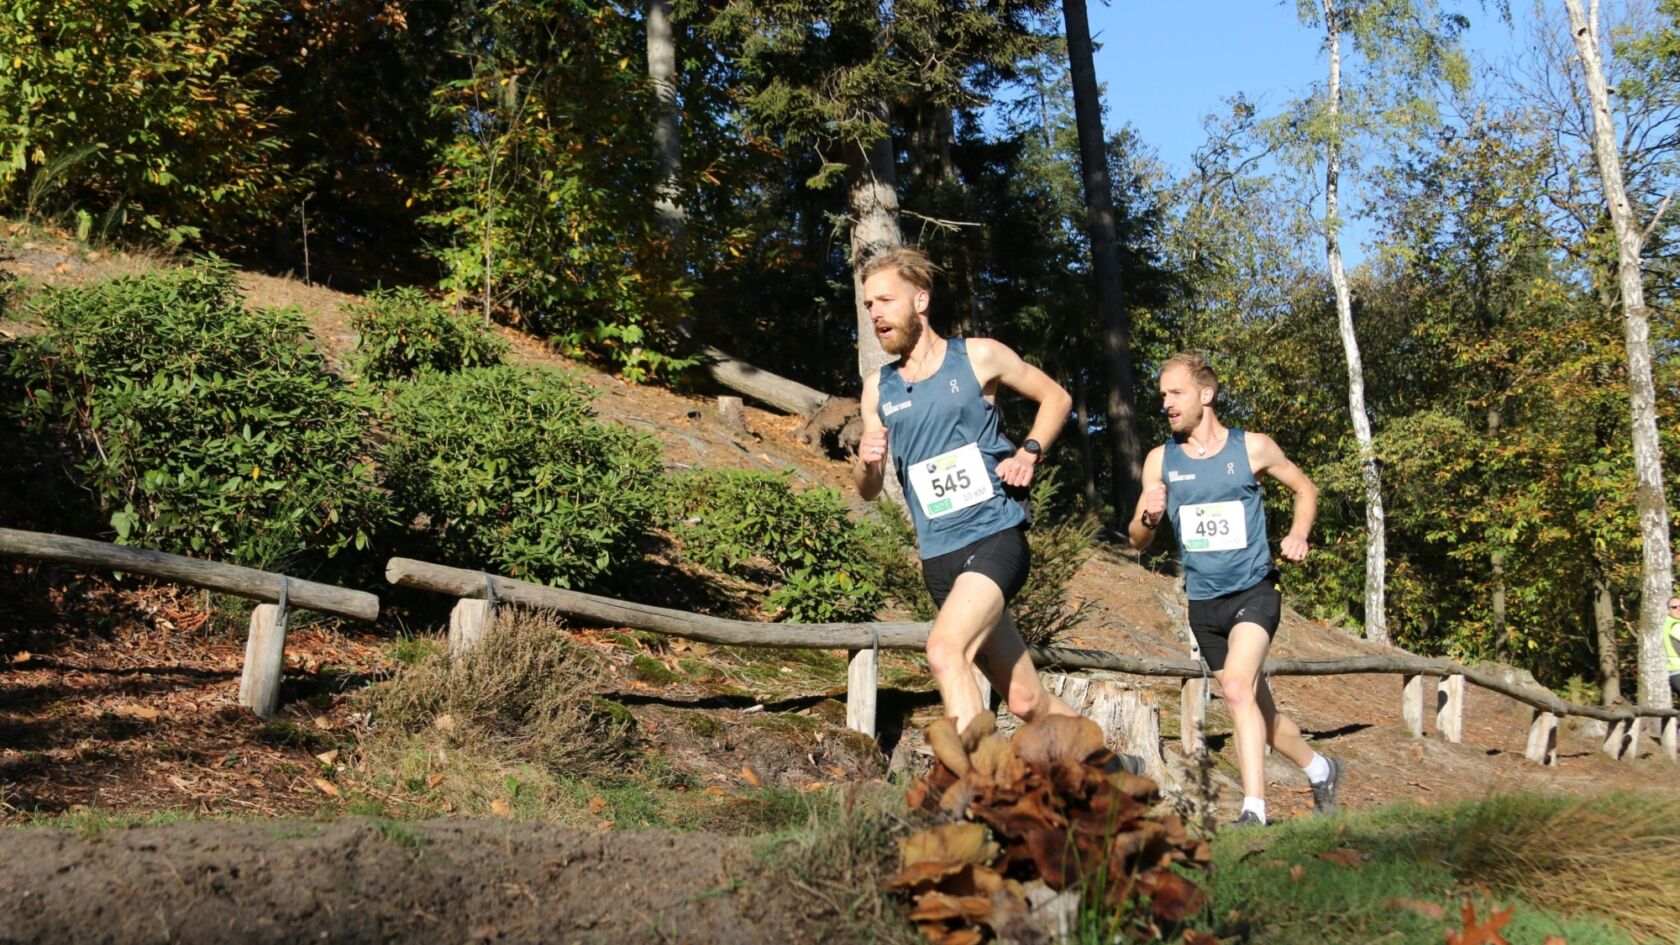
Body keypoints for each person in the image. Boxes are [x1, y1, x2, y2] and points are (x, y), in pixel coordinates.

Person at [853, 247, 1079, 734]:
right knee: (1024, 699)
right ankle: (1111, 764)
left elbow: (1056, 397)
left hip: (994, 536)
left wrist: (1029, 452)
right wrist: (867, 462)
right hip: (939, 557)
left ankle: (979, 793)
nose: (875, 314)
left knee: (944, 650)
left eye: (885, 301)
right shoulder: (878, 389)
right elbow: (868, 491)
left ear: (920, 301)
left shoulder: (978, 355)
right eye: (869, 305)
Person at [1127, 352, 1340, 826]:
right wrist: (1149, 516)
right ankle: (1322, 769)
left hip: (1253, 591)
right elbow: (1137, 540)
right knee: (1259, 715)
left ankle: (1254, 810)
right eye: (1163, 395)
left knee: (1239, 692)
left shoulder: (1252, 448)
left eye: (1176, 393)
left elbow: (1305, 488)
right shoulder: (1161, 461)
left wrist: (1299, 533)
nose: (1167, 403)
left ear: (1207, 394)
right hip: (1203, 604)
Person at [1666, 596, 1680, 701]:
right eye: (1674, 607)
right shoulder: (1675, 625)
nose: (1678, 609)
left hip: (1673, 673)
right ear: (1668, 610)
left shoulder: (1666, 623)